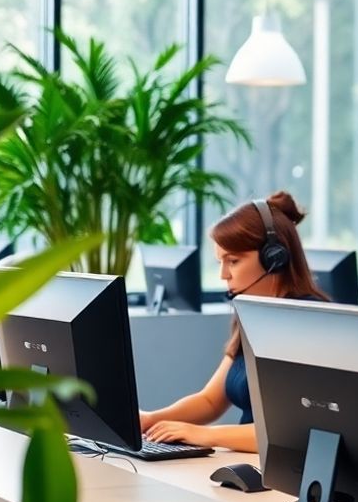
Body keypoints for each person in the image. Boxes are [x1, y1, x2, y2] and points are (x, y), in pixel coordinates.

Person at [140, 192, 329, 452]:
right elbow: (210, 401)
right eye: (221, 262)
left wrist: (205, 435)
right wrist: (150, 419)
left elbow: (292, 432)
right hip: (247, 464)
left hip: (280, 470)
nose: (223, 274)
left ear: (274, 258)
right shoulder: (254, 317)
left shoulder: (310, 325)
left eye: (233, 261)